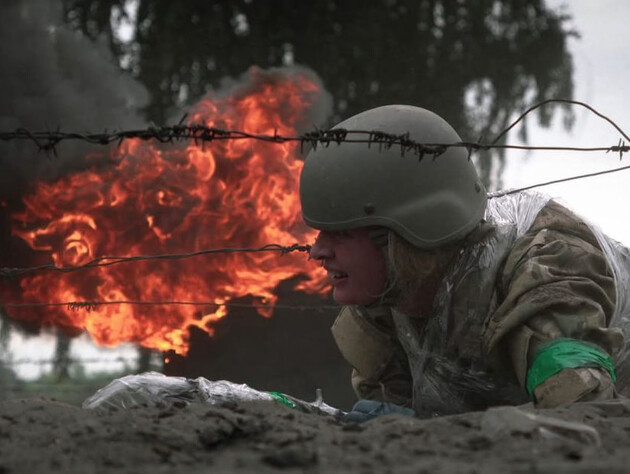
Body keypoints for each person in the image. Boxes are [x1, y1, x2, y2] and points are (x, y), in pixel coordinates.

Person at [299, 104, 630, 419]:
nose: (317, 251)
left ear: (403, 236)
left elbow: (585, 413)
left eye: (340, 234)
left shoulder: (547, 276)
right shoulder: (384, 300)